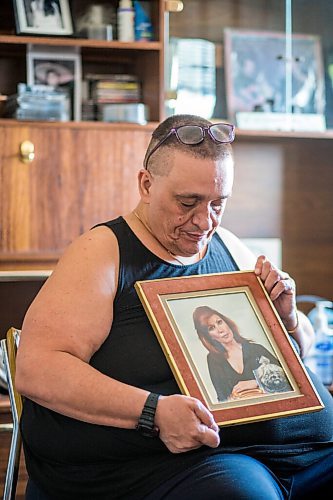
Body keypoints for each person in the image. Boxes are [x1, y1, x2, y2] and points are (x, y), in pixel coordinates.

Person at [15, 114, 333, 499]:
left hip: (290, 455)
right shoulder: (103, 252)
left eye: (219, 203)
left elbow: (298, 350)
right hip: (180, 467)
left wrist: (287, 318)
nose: (204, 221)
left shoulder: (228, 245)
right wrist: (153, 412)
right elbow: (37, 368)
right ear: (146, 184)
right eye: (188, 202)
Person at [193, 305, 290, 401]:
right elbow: (222, 398)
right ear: (209, 336)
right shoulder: (213, 360)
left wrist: (257, 382)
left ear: (226, 322)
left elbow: (289, 380)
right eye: (211, 328)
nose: (220, 330)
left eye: (219, 322)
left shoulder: (257, 349)